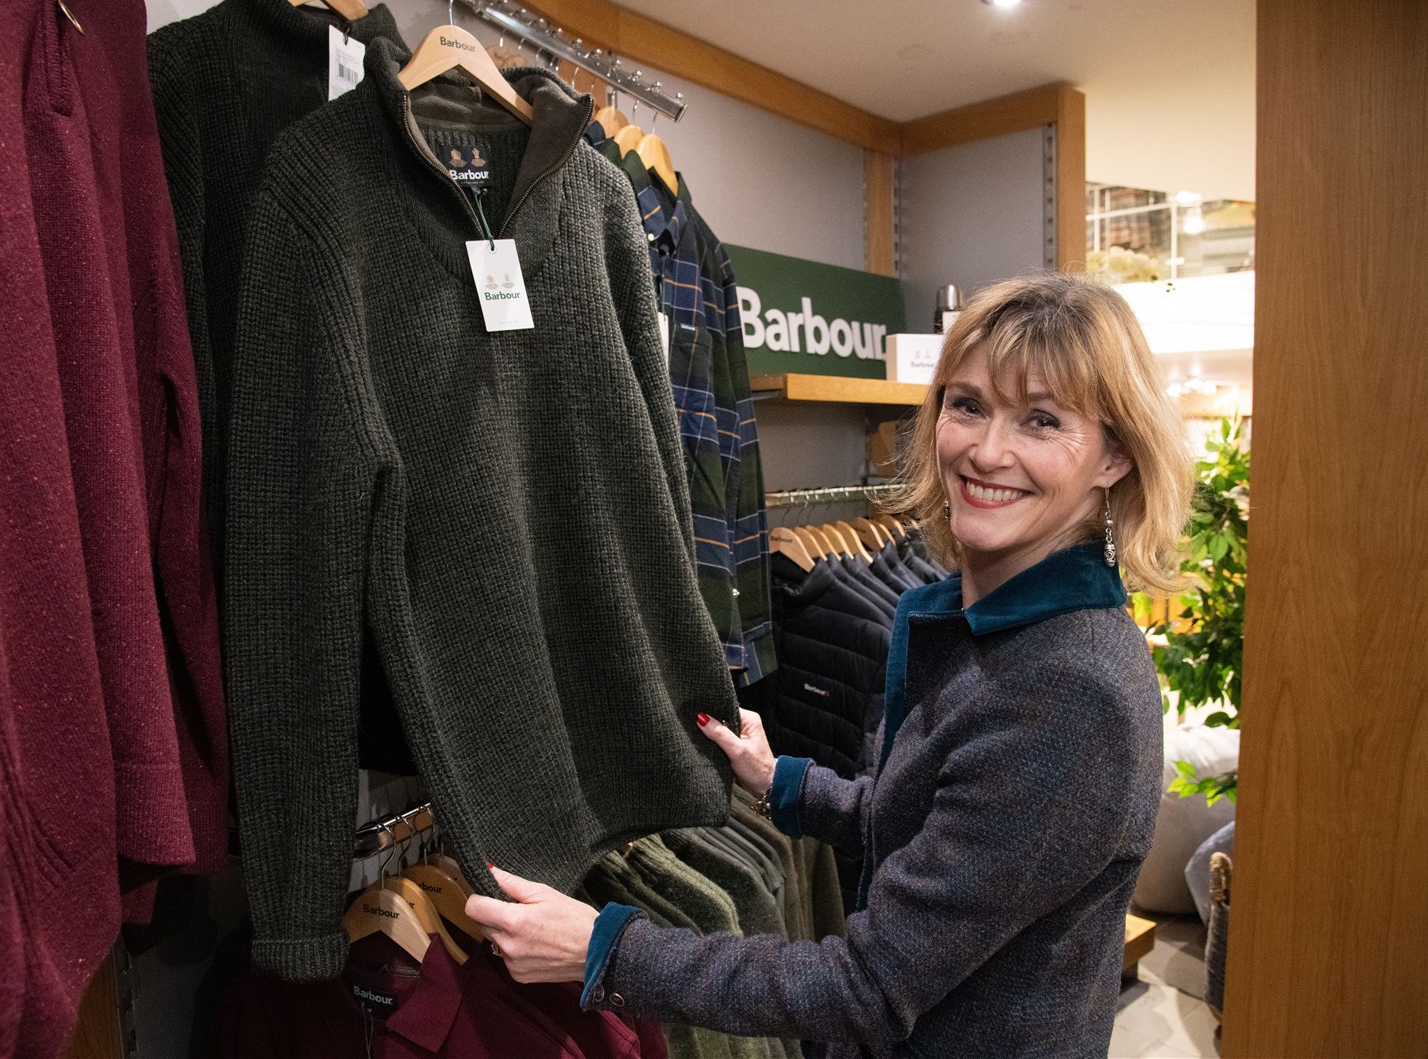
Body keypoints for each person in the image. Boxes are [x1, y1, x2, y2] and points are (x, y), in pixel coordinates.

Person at [466, 271, 1196, 1057]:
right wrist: (781, 781)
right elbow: (932, 827)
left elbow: (867, 989)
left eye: (1042, 421)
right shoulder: (994, 628)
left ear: (1115, 456)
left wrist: (610, 950)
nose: (987, 451)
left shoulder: (1065, 689)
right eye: (968, 405)